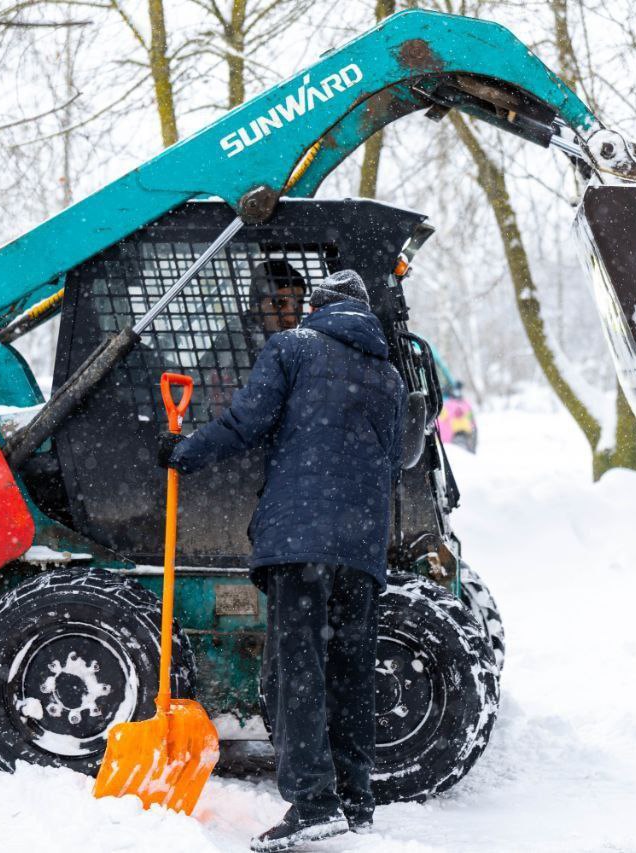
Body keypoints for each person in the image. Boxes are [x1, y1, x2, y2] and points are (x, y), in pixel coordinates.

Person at [158, 269, 406, 852]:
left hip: (302, 543)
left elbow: (247, 423)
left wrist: (184, 452)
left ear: (318, 307)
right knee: (348, 674)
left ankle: (314, 803)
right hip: (362, 547)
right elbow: (394, 458)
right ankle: (354, 801)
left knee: (296, 671)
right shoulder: (389, 375)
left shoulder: (293, 347)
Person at [200, 259, 306, 415]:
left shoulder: (292, 346)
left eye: (298, 304)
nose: (291, 317)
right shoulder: (237, 344)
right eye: (278, 303)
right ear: (256, 306)